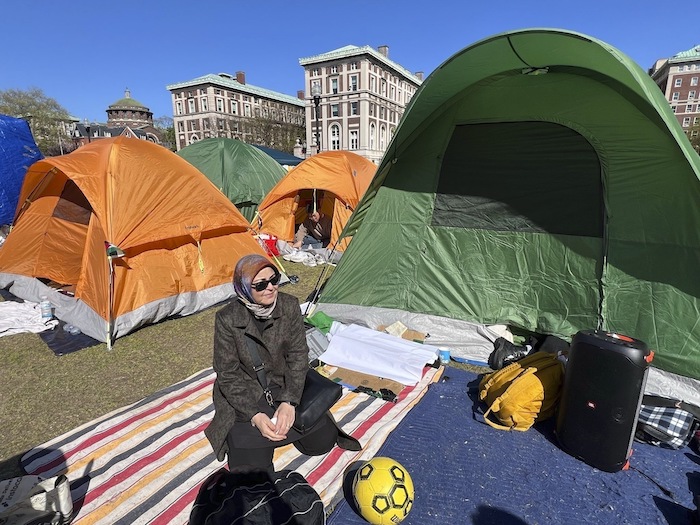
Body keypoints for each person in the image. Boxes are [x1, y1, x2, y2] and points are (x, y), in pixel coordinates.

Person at [205, 254, 360, 473]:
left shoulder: (288, 305)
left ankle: (290, 423)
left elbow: (298, 356)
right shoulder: (227, 318)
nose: (270, 288)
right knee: (252, 471)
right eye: (260, 284)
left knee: (321, 443)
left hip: (284, 383)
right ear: (244, 288)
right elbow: (227, 374)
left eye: (274, 279)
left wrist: (290, 401)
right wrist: (255, 416)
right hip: (248, 391)